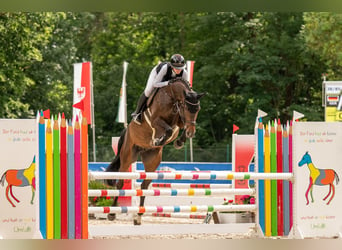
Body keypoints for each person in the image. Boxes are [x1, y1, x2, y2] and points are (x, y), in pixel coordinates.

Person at [131, 54, 189, 124]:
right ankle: (137, 113)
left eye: (180, 68)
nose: (178, 70)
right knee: (148, 90)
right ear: (171, 66)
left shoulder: (185, 74)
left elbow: (186, 89)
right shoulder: (165, 68)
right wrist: (167, 83)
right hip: (157, 75)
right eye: (176, 68)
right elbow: (155, 84)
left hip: (170, 83)